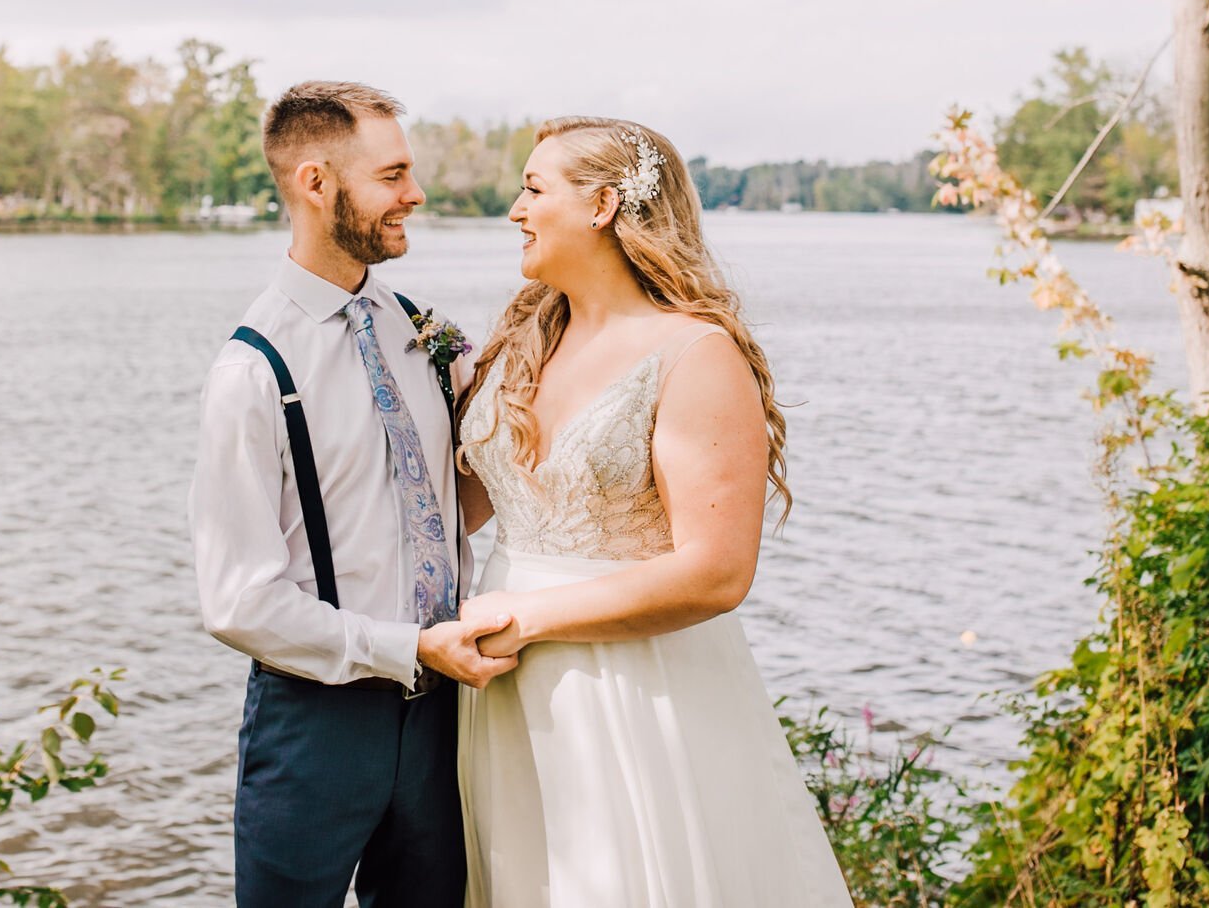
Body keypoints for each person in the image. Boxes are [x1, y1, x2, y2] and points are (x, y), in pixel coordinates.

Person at [455, 115, 852, 906]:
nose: (515, 210)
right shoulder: (521, 341)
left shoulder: (693, 354)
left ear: (601, 205)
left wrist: (530, 618)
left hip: (626, 685)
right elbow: (456, 505)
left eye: (534, 189)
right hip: (499, 684)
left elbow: (716, 573)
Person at [190, 80, 518, 908]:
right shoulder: (251, 372)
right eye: (393, 174)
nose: (416, 194)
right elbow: (237, 603)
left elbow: (455, 503)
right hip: (315, 727)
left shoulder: (424, 330)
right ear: (315, 183)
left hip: (447, 716)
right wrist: (406, 649)